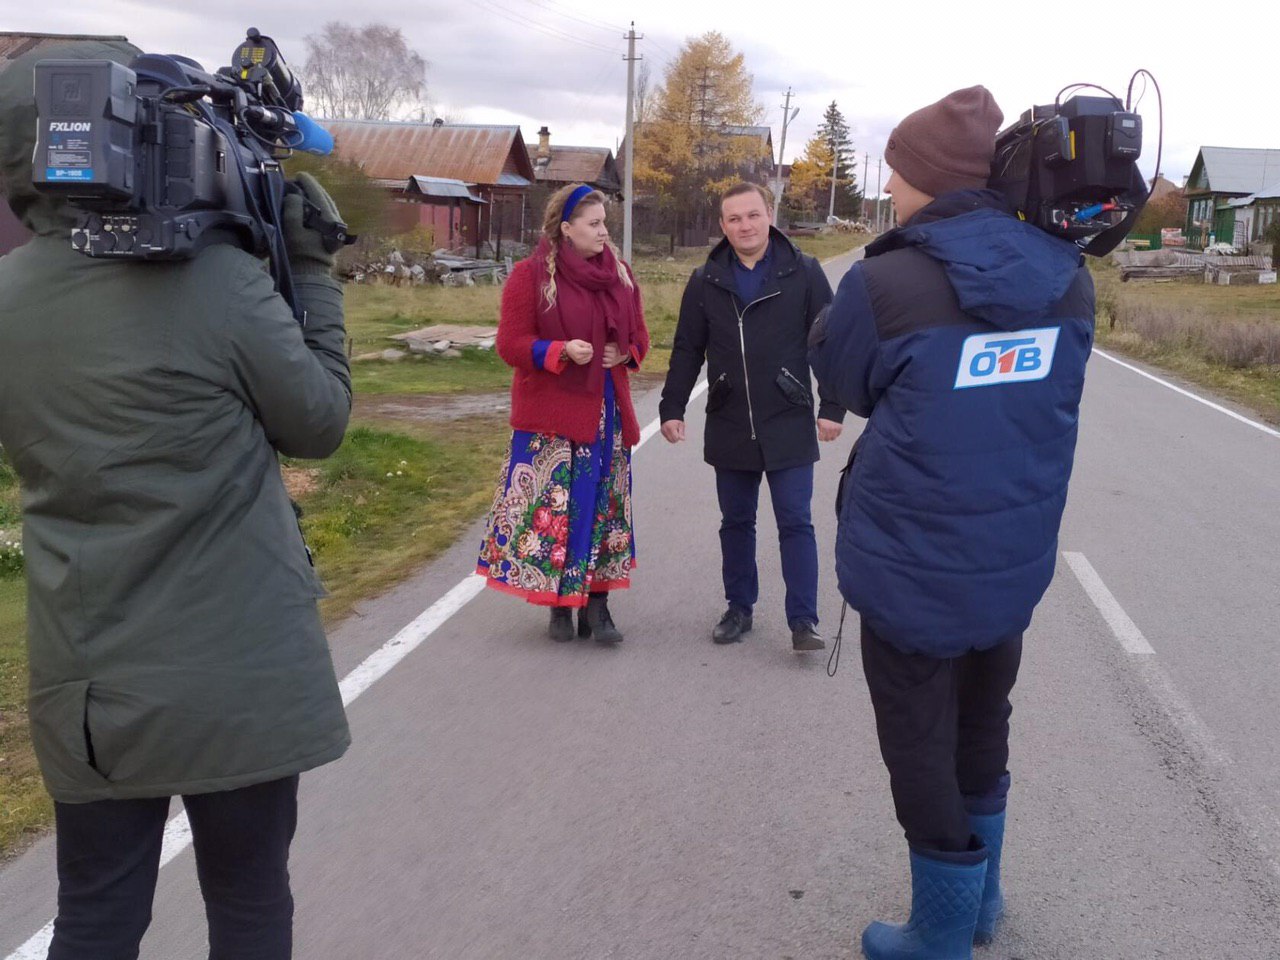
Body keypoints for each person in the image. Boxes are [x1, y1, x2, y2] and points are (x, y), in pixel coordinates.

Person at [0, 41, 353, 960]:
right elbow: (316, 420)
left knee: (96, 915)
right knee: (245, 902)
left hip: (89, 681)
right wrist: (308, 267)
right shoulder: (218, 282)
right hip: (238, 672)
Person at [808, 86, 1096, 958]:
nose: (888, 188)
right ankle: (982, 903)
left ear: (924, 179)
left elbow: (848, 387)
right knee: (984, 718)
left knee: (919, 746)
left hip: (910, 564)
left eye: (894, 172)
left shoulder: (886, 280)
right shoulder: (1067, 274)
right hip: (1010, 558)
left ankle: (938, 936)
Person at [659, 182, 843, 651]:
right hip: (730, 420)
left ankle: (803, 621)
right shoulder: (706, 280)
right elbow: (687, 349)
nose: (745, 226)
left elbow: (829, 342)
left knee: (795, 521)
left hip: (788, 416)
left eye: (753, 215)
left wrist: (833, 406)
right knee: (736, 522)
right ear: (722, 226)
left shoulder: (803, 272)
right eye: (734, 218)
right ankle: (738, 609)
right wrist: (672, 408)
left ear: (769, 216)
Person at [476, 184, 649, 643]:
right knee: (555, 515)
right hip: (551, 419)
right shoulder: (530, 277)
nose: (603, 231)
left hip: (605, 413)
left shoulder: (621, 275)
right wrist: (557, 350)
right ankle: (556, 605)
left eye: (604, 223)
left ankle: (598, 608)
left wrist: (624, 353)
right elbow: (509, 344)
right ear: (566, 229)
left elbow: (641, 340)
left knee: (601, 511)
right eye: (594, 224)